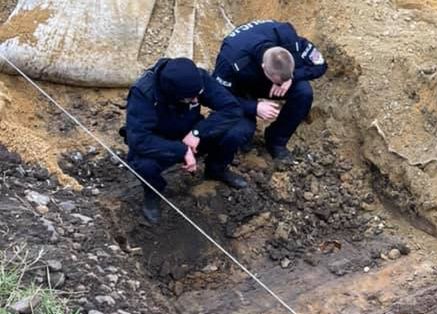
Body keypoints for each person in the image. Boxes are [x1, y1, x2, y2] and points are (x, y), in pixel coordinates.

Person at [124, 57, 254, 224]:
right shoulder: (143, 93)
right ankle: (153, 192)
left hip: (193, 132)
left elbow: (231, 108)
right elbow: (139, 140)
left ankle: (216, 169)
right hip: (161, 140)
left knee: (237, 129)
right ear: (171, 94)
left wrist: (197, 132)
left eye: (197, 96)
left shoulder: (196, 79)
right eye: (188, 98)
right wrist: (181, 150)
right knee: (142, 163)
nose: (194, 100)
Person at [213, 20, 328, 163]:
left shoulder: (288, 38)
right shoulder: (231, 58)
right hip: (241, 86)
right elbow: (217, 96)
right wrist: (254, 107)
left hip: (273, 78)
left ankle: (276, 140)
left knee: (303, 92)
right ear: (263, 67)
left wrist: (292, 77)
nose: (280, 83)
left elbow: (321, 65)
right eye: (278, 80)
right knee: (242, 134)